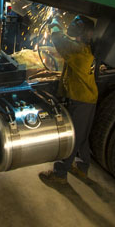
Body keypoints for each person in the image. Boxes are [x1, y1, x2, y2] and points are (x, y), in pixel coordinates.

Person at [40, 14, 98, 184]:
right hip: (88, 99)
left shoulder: (77, 50)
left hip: (80, 100)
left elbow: (59, 39)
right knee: (82, 137)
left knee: (71, 138)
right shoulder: (86, 48)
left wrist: (55, 21)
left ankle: (59, 175)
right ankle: (82, 168)